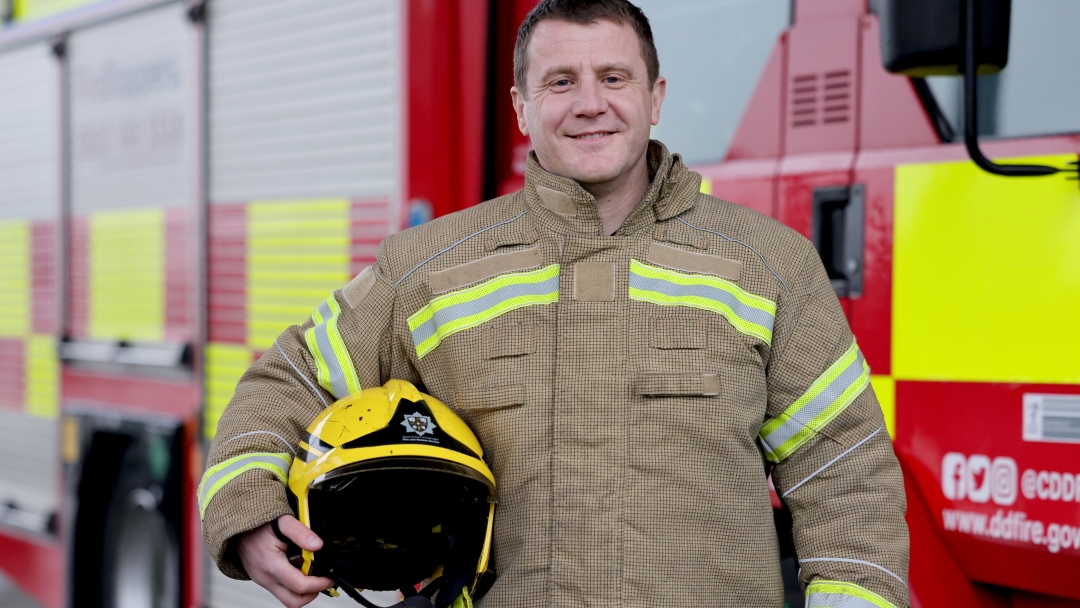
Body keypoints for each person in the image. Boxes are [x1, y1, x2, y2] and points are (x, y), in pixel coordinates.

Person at [200, 1, 910, 607]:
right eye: (561, 81)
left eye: (614, 77)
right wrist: (249, 512)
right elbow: (287, 380)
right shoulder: (429, 269)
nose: (590, 103)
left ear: (656, 96)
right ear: (521, 108)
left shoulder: (768, 265)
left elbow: (843, 470)